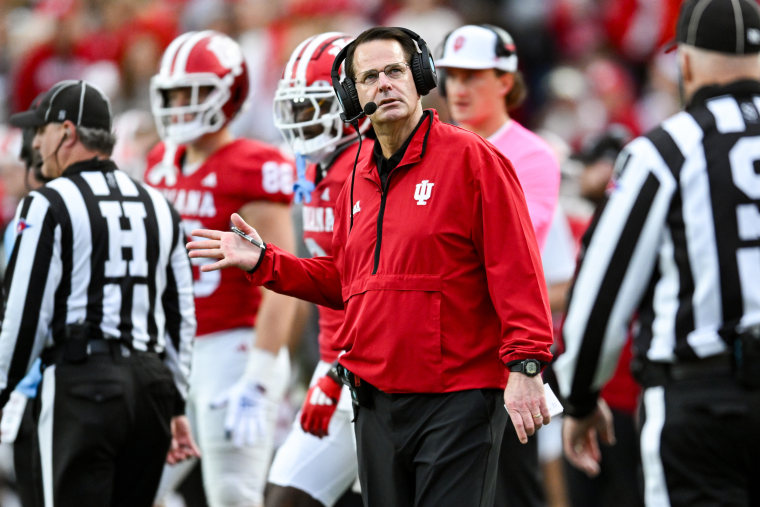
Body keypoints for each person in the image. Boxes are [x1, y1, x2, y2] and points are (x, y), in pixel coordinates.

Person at [187, 26, 554, 507]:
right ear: (351, 95)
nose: (384, 84)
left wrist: (526, 363)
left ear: (419, 76)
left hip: (458, 396)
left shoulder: (472, 158)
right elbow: (348, 282)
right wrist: (265, 262)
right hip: (375, 399)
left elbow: (517, 267)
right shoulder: (355, 175)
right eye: (369, 77)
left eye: (395, 71)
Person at [554, 0, 760, 505]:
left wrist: (580, 398)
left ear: (685, 62)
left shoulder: (662, 152)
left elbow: (602, 292)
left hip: (700, 399)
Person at [2, 79, 199, 507]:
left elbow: (23, 313)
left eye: (42, 130)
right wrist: (176, 401)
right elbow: (181, 314)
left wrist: (2, 385)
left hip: (82, 382)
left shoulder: (46, 202)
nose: (36, 142)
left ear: (67, 133)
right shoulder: (160, 205)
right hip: (151, 388)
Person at [144, 30, 297, 507]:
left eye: (192, 92)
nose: (179, 104)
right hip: (172, 350)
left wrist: (260, 371)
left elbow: (283, 280)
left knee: (233, 494)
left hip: (233, 348)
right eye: (172, 93)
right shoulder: (160, 161)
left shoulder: (254, 164)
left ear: (227, 94)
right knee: (136, 484)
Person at [436, 24, 561, 507]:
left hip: (505, 356)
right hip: (447, 353)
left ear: (506, 80)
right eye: (451, 77)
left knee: (513, 490)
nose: (459, 89)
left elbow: (508, 251)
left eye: (473, 76)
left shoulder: (531, 154)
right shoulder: (439, 145)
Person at [266, 32, 370, 507]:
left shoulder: (370, 166)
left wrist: (338, 372)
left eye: (316, 106)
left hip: (366, 366)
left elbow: (373, 288)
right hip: (336, 359)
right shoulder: (316, 165)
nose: (305, 120)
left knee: (288, 498)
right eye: (298, 108)